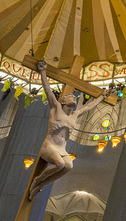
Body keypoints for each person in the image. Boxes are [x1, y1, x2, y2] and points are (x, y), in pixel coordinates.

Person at [28, 60, 85, 198]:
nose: (74, 98)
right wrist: (43, 71)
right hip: (49, 146)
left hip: (62, 149)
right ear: (63, 101)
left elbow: (89, 107)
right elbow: (48, 90)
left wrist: (102, 97)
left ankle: (40, 186)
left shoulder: (74, 115)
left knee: (69, 167)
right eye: (71, 96)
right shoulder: (56, 108)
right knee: (59, 164)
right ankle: (37, 179)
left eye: (75, 98)